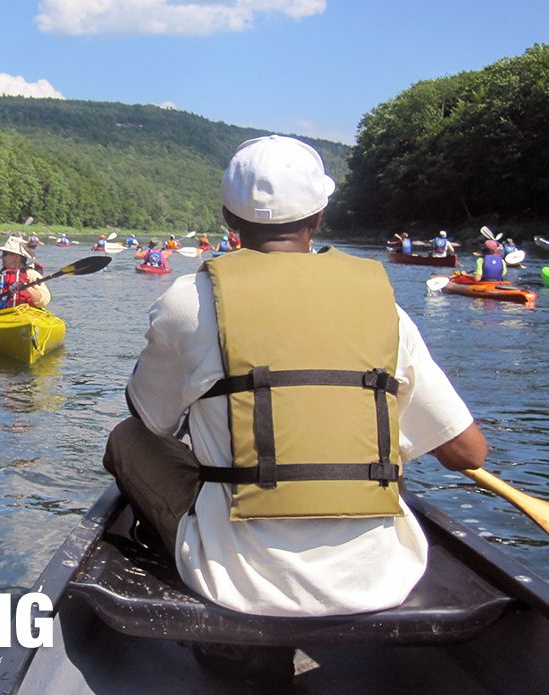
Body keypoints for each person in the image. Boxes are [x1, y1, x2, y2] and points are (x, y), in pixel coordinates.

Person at [103, 134, 486, 620]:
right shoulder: (384, 309)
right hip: (381, 577)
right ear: (319, 217)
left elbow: (151, 421)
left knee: (125, 437)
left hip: (237, 582)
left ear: (229, 220)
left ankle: (169, 548)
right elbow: (467, 452)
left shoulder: (188, 301)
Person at [0, 236, 50, 311]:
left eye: (4, 254)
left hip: (25, 314)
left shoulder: (31, 274)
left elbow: (44, 300)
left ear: (16, 257)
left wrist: (25, 287)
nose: (1, 257)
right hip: (2, 316)